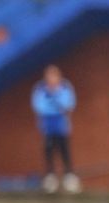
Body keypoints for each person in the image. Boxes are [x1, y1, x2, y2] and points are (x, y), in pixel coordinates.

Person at [32, 65, 78, 193]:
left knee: (64, 150)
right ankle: (50, 177)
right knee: (49, 151)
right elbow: (39, 107)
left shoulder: (65, 88)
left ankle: (69, 176)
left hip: (61, 125)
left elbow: (68, 104)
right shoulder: (40, 89)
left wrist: (56, 102)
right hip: (47, 126)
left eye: (54, 76)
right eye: (49, 76)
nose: (52, 79)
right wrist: (53, 106)